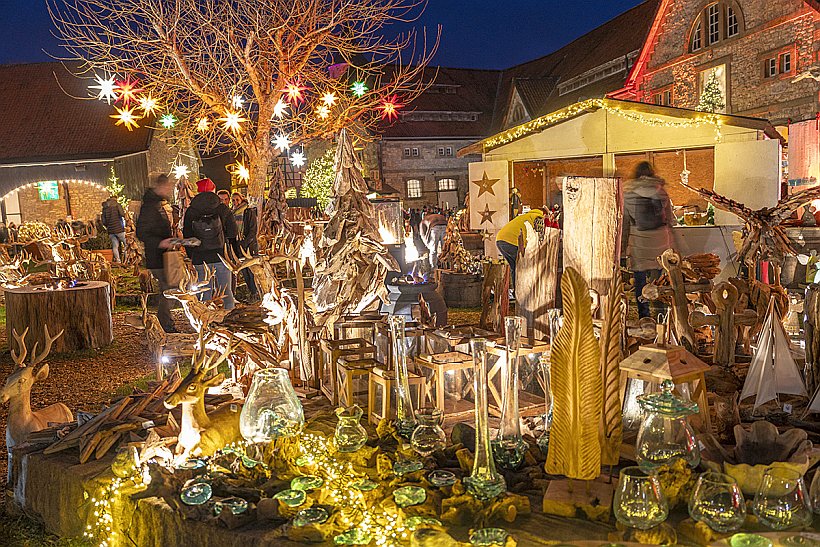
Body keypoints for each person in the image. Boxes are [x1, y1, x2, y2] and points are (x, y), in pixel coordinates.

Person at [621, 161, 675, 318]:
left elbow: (625, 223)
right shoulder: (661, 191)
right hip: (660, 241)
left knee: (640, 281)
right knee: (661, 280)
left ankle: (644, 316)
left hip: (639, 243)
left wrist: (623, 248)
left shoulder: (628, 193)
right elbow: (670, 220)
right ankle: (663, 314)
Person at [183, 178, 237, 310]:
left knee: (204, 293)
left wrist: (192, 256)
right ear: (213, 190)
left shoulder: (191, 211)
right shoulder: (222, 208)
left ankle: (206, 322)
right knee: (226, 292)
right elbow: (233, 232)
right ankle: (228, 319)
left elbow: (187, 236)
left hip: (200, 258)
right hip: (221, 256)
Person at [136, 174, 177, 332]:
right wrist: (160, 242)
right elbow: (142, 233)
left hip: (164, 255)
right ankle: (165, 325)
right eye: (168, 187)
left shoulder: (157, 204)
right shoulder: (149, 206)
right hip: (157, 256)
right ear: (162, 186)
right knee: (169, 289)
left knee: (169, 288)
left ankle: (164, 323)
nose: (170, 189)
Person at [495, 208, 545, 287]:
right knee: (523, 266)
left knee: (515, 267)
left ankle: (516, 292)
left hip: (500, 240)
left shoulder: (526, 216)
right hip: (512, 241)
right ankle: (524, 290)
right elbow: (539, 237)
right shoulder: (538, 218)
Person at [231, 192, 260, 301]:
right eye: (233, 200)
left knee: (251, 270)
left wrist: (245, 242)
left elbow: (253, 230)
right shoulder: (232, 213)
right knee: (244, 270)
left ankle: (256, 293)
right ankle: (252, 293)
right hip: (238, 245)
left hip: (248, 245)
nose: (235, 202)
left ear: (241, 199)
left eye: (237, 200)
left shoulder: (248, 211)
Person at [102, 195, 127, 263]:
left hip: (110, 230)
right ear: (115, 199)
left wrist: (108, 226)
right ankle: (126, 261)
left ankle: (118, 261)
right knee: (126, 244)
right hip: (119, 229)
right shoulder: (117, 205)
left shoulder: (105, 208)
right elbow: (122, 214)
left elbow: (103, 221)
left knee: (115, 246)